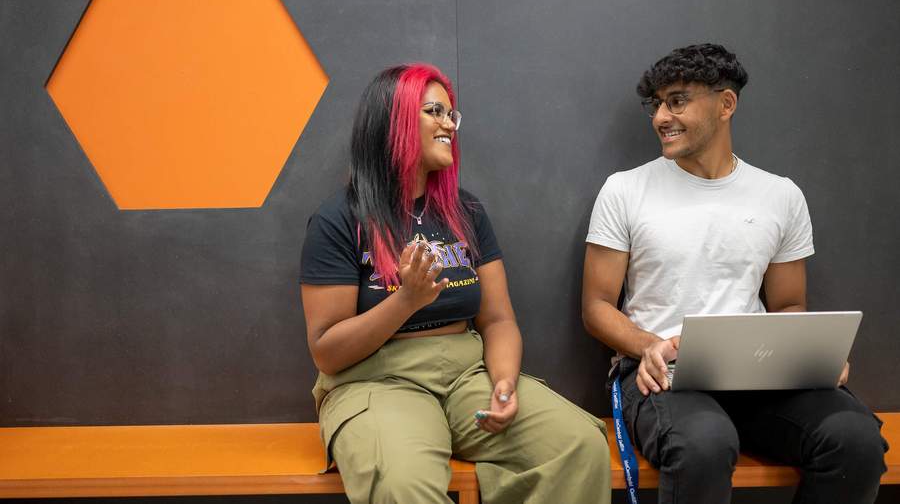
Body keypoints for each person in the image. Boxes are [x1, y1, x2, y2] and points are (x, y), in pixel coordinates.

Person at [582, 44, 887, 503]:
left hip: (759, 375)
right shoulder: (625, 190)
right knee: (704, 443)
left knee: (856, 440)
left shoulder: (780, 196)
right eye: (657, 103)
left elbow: (788, 305)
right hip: (661, 376)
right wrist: (649, 346)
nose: (661, 116)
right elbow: (596, 306)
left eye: (678, 100)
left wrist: (813, 357)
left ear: (726, 104)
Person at [301, 63, 610, 504]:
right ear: (395, 121)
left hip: (468, 374)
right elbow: (327, 351)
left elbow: (499, 319)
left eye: (452, 114)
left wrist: (503, 382)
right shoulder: (338, 220)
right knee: (403, 484)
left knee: (578, 445)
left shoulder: (466, 212)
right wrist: (404, 301)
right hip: (375, 380)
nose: (450, 124)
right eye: (434, 111)